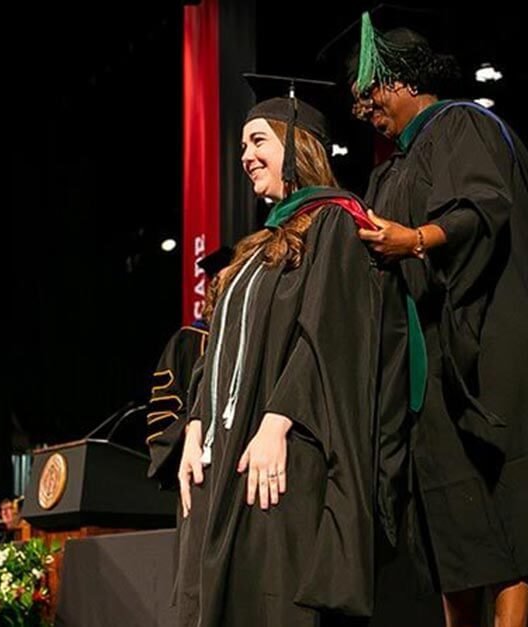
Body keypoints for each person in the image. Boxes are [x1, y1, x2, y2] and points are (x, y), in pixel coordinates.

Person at [334, 11, 528, 627]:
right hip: (433, 371)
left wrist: (416, 239)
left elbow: (482, 207)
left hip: (489, 359)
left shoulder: (463, 126)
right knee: (455, 526)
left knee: (510, 519)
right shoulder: (391, 168)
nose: (364, 106)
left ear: (401, 80)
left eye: (369, 91)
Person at [174, 75, 390, 627]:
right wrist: (196, 426)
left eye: (258, 141)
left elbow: (332, 331)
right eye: (242, 145)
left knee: (269, 599)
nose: (245, 156)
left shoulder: (336, 223)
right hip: (224, 454)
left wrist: (277, 422)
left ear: (297, 144)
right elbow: (217, 349)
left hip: (284, 447)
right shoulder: (256, 249)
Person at [146, 246, 233, 491]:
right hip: (199, 467)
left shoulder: (256, 338)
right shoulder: (187, 341)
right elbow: (163, 409)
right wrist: (190, 433)